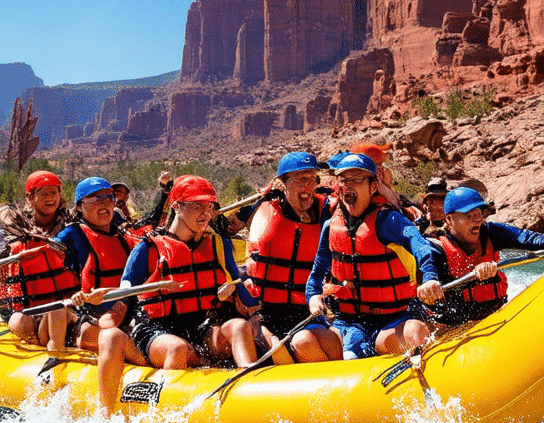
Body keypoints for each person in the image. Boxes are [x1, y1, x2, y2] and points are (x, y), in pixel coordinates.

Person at [306, 153, 442, 360]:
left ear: (372, 187)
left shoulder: (388, 220)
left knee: (415, 330)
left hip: (394, 319)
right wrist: (313, 296)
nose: (349, 185)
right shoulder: (331, 226)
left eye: (357, 179)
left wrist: (430, 276)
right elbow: (316, 273)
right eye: (344, 180)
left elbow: (419, 245)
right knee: (305, 338)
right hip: (348, 322)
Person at [121, 175, 263, 372]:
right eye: (197, 206)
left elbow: (242, 291)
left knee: (239, 326)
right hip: (158, 330)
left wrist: (252, 308)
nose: (206, 214)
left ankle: (249, 385)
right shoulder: (147, 249)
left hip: (202, 329)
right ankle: (169, 399)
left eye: (210, 207)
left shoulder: (218, 245)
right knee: (176, 348)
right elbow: (124, 293)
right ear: (177, 206)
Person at [428, 187, 544, 325]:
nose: (477, 220)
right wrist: (473, 276)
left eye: (479, 213)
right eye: (469, 215)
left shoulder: (493, 232)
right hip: (455, 326)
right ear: (449, 219)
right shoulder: (436, 249)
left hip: (497, 314)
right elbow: (434, 299)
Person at [246, 152, 343, 362]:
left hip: (306, 310)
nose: (308, 186)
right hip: (268, 312)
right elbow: (224, 227)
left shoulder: (325, 211)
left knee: (331, 340)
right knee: (297, 344)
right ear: (283, 184)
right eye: (300, 179)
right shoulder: (267, 211)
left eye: (311, 179)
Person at [0, 170, 78, 351]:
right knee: (20, 323)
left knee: (59, 313)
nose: (50, 198)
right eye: (44, 193)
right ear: (30, 198)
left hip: (66, 307)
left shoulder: (72, 228)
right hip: (28, 309)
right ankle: (44, 345)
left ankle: (54, 341)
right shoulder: (10, 234)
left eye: (54, 193)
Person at [55, 177, 140, 352]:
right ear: (79, 206)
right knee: (107, 337)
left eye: (109, 197)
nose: (104, 203)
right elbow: (55, 277)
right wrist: (76, 295)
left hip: (124, 312)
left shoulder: (125, 237)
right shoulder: (69, 236)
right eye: (95, 198)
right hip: (86, 315)